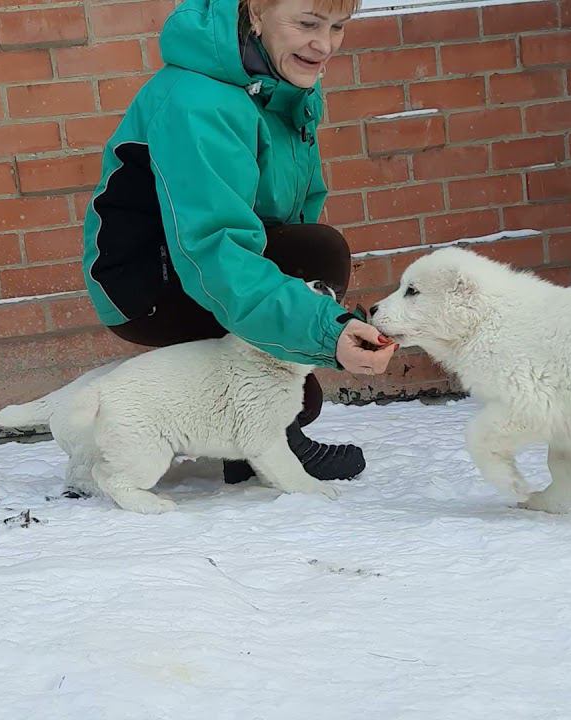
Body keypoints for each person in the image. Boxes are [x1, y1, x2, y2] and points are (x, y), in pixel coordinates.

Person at [80, 0, 395, 485]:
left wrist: (298, 316)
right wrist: (321, 331)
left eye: (338, 27)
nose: (324, 44)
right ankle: (270, 438)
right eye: (307, 24)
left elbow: (291, 214)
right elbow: (214, 247)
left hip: (205, 262)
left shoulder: (281, 86)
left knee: (309, 251)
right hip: (149, 281)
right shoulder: (200, 100)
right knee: (317, 254)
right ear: (254, 15)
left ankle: (249, 440)